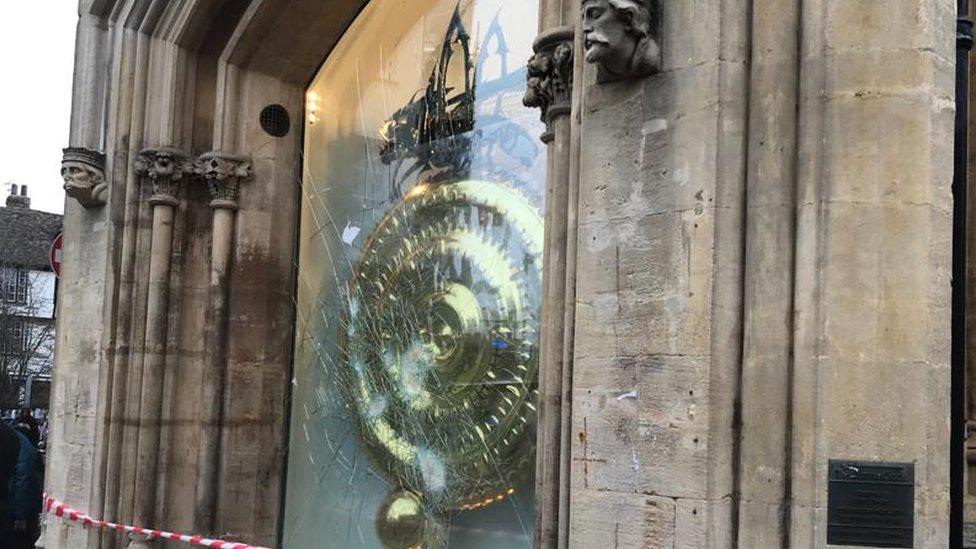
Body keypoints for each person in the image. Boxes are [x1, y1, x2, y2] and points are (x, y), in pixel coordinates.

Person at [1, 421, 41, 549]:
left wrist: (20, 514)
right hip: (9, 507)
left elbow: (23, 478)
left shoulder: (16, 440)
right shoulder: (20, 441)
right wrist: (21, 514)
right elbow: (24, 478)